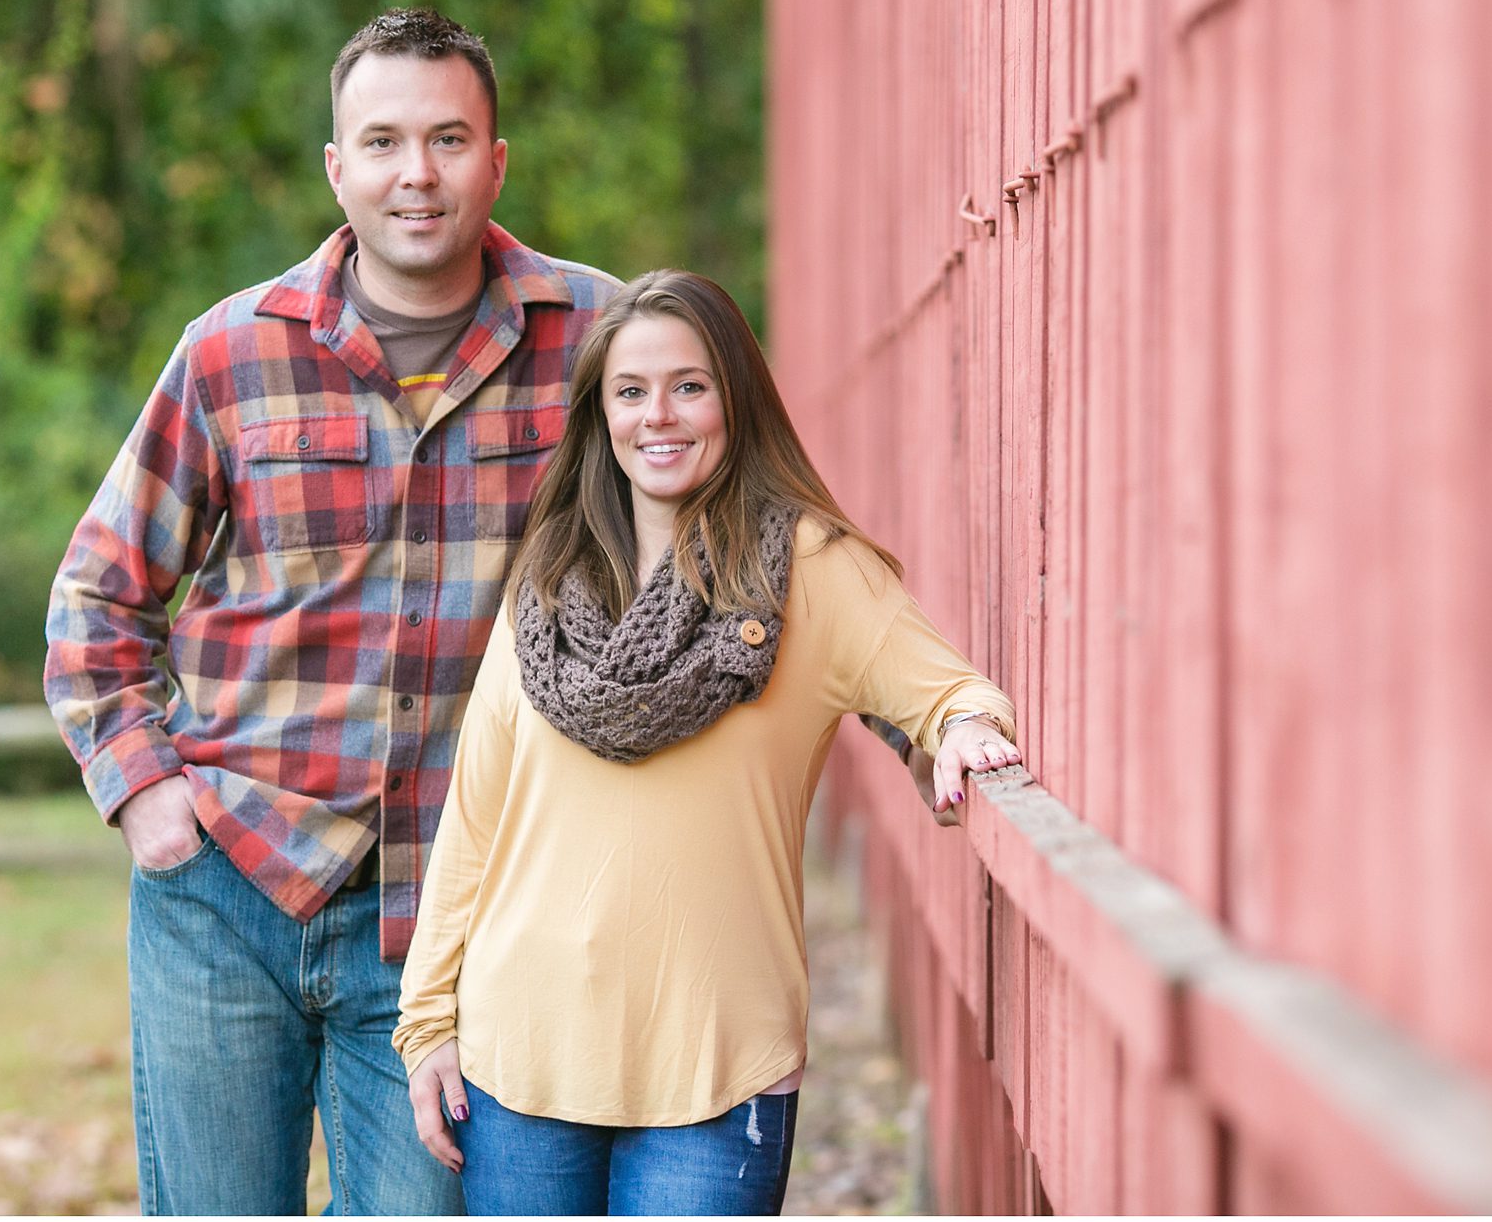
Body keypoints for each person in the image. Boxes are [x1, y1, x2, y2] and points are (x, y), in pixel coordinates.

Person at [44, 8, 620, 1216]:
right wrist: (145, 786)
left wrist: (917, 707)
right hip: (226, 888)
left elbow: (733, 528)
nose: (417, 174)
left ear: (497, 160)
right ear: (338, 167)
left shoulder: (596, 342)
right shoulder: (229, 355)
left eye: (449, 139)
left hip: (452, 921)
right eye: (384, 142)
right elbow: (100, 592)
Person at [393, 270, 1023, 1216]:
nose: (660, 417)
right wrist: (427, 1020)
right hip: (518, 1059)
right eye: (631, 392)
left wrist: (968, 728)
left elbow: (947, 691)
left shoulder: (810, 571)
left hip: (720, 1066)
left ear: (736, 397)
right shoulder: (546, 582)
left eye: (690, 386)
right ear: (601, 415)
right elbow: (475, 819)